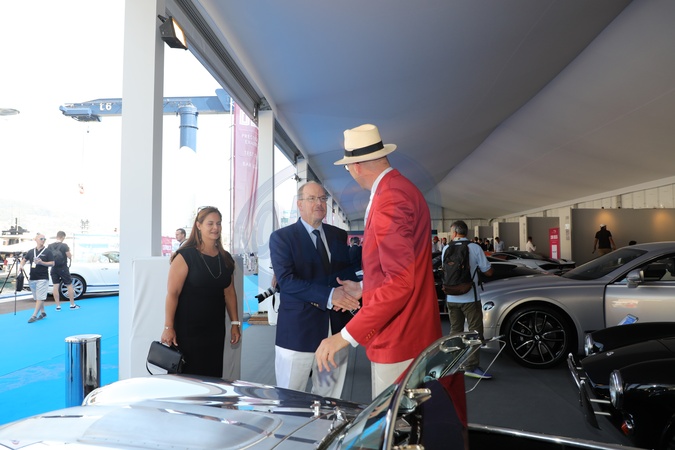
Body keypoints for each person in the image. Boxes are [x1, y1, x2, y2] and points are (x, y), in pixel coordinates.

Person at [316, 123, 442, 399]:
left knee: (394, 421)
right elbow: (403, 268)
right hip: (412, 329)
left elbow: (400, 283)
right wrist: (365, 288)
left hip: (400, 335)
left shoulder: (390, 199)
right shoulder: (399, 189)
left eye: (347, 168)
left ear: (356, 166)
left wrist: (344, 336)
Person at [270, 181, 360, 397]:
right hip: (297, 332)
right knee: (290, 398)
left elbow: (345, 276)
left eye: (322, 199)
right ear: (300, 204)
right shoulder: (282, 238)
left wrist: (354, 298)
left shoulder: (338, 235)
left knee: (330, 399)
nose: (319, 203)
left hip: (335, 331)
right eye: (312, 199)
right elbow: (287, 281)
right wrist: (330, 295)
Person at [161, 206, 241, 377]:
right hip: (187, 332)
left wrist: (235, 323)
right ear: (198, 225)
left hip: (215, 330)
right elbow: (172, 294)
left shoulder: (225, 258)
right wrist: (168, 327)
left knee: (212, 378)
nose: (215, 228)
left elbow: (229, 292)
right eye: (210, 223)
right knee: (185, 381)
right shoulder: (185, 256)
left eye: (218, 223)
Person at [443, 220, 494, 379]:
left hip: (451, 296)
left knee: (455, 331)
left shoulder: (446, 248)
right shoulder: (475, 247)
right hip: (470, 297)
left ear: (454, 233)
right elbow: (488, 272)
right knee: (474, 332)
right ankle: (471, 366)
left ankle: (454, 364)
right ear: (466, 232)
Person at [20, 234, 55, 323]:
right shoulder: (31, 251)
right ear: (36, 239)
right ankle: (43, 312)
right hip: (32, 277)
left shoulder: (48, 251)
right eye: (41, 238)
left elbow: (52, 263)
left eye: (44, 239)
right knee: (37, 297)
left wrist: (42, 262)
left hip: (43, 277)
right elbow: (24, 259)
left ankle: (34, 315)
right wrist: (21, 266)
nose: (43, 240)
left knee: (40, 297)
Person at [48, 231, 79, 310]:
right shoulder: (64, 245)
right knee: (69, 285)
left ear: (56, 236)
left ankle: (58, 306)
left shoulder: (50, 246)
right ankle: (72, 304)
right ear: (63, 237)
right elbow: (69, 256)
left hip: (53, 268)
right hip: (63, 268)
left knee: (55, 286)